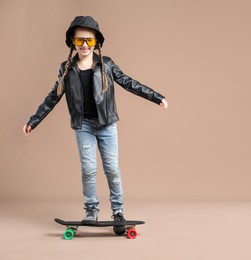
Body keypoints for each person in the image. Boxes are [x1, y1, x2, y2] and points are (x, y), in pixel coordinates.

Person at [22, 16, 168, 224]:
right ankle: (91, 210)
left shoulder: (106, 65)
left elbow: (129, 83)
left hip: (107, 125)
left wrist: (157, 97)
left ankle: (118, 211)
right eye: (79, 40)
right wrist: (33, 121)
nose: (84, 45)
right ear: (72, 42)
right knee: (89, 170)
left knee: (112, 169)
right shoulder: (67, 69)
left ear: (96, 43)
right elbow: (53, 96)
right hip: (83, 126)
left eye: (89, 40)